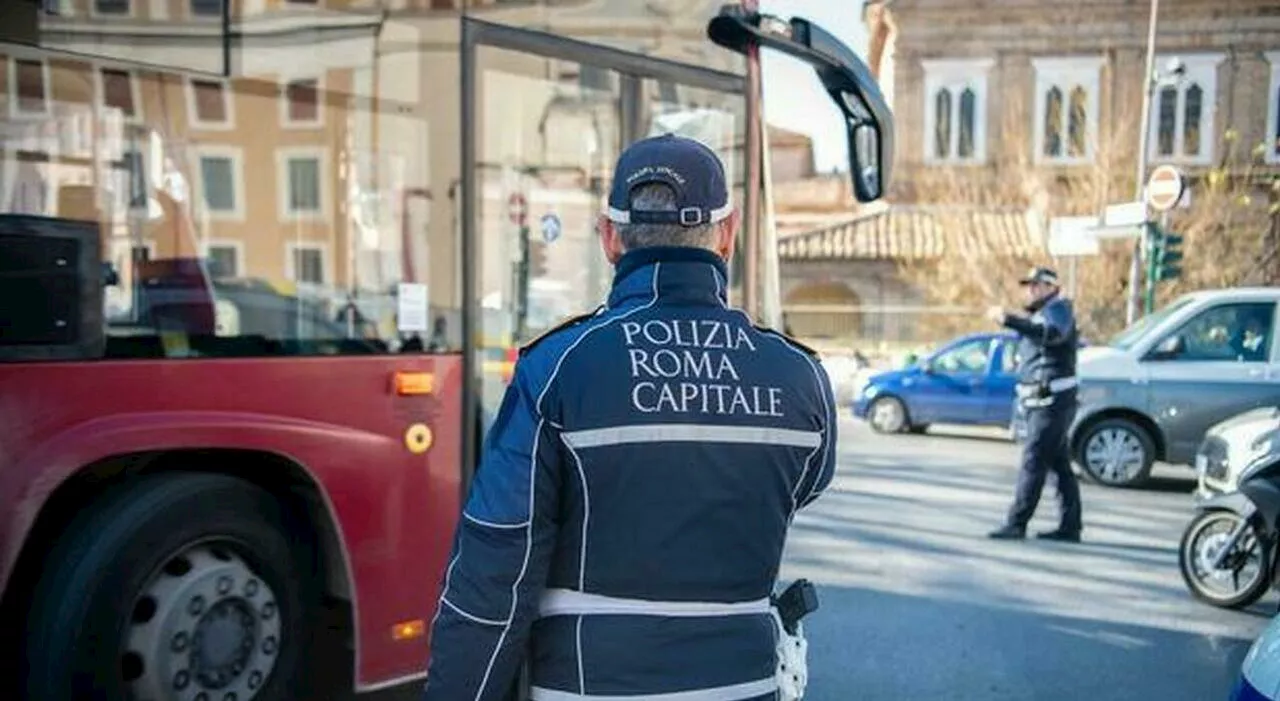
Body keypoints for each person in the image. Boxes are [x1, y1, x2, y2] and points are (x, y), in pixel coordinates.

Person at [422, 133, 838, 701]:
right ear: (729, 234)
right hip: (748, 685)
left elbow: (496, 570)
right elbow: (803, 486)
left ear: (609, 237)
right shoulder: (800, 376)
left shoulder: (558, 367)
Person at [985, 266, 1082, 542]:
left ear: (1052, 287)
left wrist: (1009, 320)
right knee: (1059, 465)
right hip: (1046, 401)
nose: (1031, 290)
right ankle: (1070, 525)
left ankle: (1017, 522)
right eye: (1029, 285)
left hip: (1050, 401)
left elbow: (1051, 334)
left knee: (1034, 460)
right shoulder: (1046, 312)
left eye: (1037, 285)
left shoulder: (1058, 310)